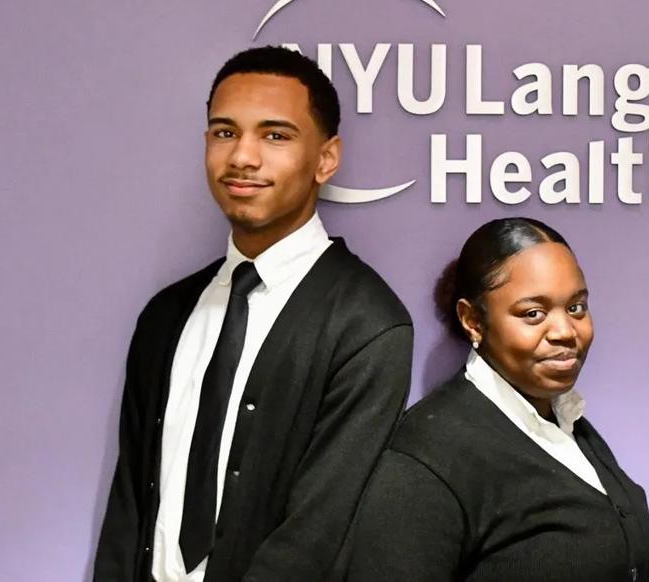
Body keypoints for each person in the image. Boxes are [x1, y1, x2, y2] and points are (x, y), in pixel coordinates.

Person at [94, 46, 413, 582]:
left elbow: (316, 534)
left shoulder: (368, 325)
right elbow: (129, 504)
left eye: (275, 136)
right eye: (225, 132)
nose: (243, 156)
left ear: (326, 158)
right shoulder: (165, 316)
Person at [340, 217, 649, 581]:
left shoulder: (569, 425)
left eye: (576, 308)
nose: (565, 331)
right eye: (533, 314)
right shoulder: (427, 459)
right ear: (473, 320)